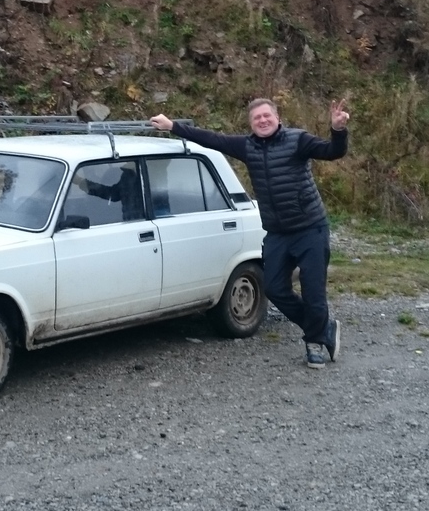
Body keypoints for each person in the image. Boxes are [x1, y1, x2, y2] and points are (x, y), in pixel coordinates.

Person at [150, 98, 351, 369]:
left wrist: (338, 130)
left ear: (278, 118)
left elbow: (332, 152)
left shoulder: (297, 140)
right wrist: (172, 126)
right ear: (251, 123)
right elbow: (212, 139)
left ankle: (314, 342)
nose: (263, 121)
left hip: (310, 229)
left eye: (267, 116)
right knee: (274, 288)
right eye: (257, 118)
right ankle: (324, 327)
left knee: (314, 293)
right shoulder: (248, 146)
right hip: (278, 233)